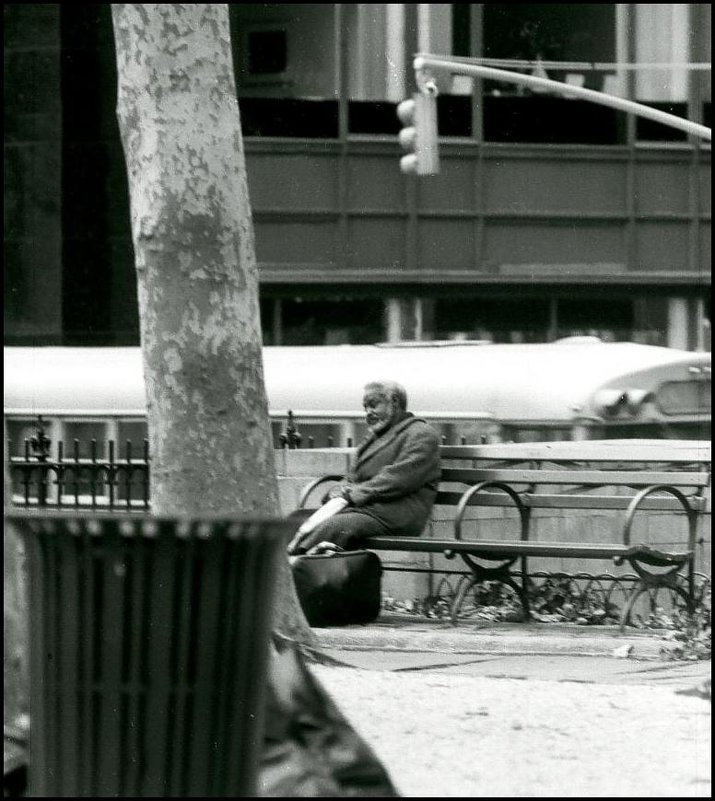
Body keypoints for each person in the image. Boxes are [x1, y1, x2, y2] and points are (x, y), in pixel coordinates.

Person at [289, 380, 441, 554]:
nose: (368, 413)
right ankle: (291, 567)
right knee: (296, 520)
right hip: (364, 510)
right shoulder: (374, 438)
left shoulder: (421, 433)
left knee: (334, 526)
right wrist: (340, 490)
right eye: (365, 407)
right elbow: (353, 477)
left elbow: (399, 478)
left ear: (395, 402)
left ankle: (293, 569)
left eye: (374, 405)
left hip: (395, 515)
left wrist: (352, 495)